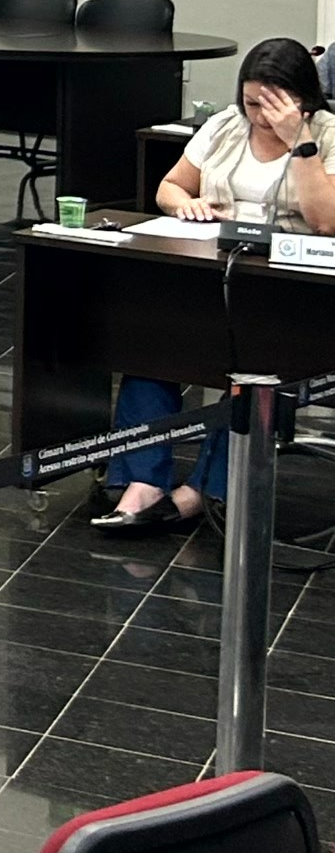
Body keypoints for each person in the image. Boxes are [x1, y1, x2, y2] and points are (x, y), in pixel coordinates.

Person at [95, 38, 335, 534]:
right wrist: (184, 203)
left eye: (274, 105)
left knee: (251, 369)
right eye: (252, 104)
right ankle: (143, 482)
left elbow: (325, 220)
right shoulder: (226, 125)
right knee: (152, 345)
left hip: (289, 289)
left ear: (303, 99)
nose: (261, 117)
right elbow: (169, 186)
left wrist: (300, 141)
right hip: (212, 271)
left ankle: (202, 490)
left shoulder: (327, 136)